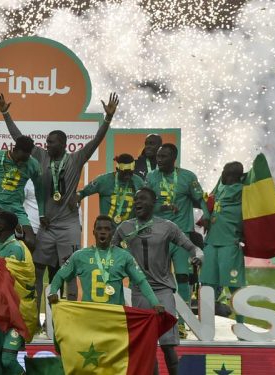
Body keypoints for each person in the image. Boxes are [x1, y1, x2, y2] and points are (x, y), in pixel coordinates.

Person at [0, 92, 119, 312]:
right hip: (47, 225)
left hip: (68, 224)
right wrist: (5, 113)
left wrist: (108, 119)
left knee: (70, 268)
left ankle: (70, 312)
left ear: (62, 144)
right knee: (38, 268)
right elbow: (18, 138)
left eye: (51, 142)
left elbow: (97, 140)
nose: (47, 144)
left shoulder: (76, 158)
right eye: (46, 142)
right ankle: (33, 313)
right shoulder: (40, 156)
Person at [111, 188, 204, 375]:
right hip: (139, 292)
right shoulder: (124, 227)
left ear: (153, 203)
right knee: (147, 346)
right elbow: (109, 252)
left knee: (168, 345)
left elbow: (192, 247)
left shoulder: (167, 226)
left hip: (163, 291)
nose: (138, 202)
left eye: (143, 199)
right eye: (136, 199)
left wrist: (198, 256)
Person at [145, 143, 207, 337]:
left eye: (163, 156)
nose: (159, 160)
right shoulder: (151, 177)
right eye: (158, 156)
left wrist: (206, 214)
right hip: (158, 235)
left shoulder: (188, 177)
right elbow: (147, 205)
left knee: (183, 278)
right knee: (156, 279)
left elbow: (200, 199)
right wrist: (163, 208)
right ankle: (156, 320)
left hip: (181, 237)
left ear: (174, 158)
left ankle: (181, 322)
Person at [47, 215, 164, 312]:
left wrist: (155, 303)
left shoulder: (124, 256)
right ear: (93, 232)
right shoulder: (79, 256)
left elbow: (141, 281)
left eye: (107, 229)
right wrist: (53, 292)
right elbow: (60, 276)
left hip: (115, 316)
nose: (103, 232)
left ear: (113, 232)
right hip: (89, 316)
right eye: (99, 229)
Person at [0, 210, 37, 375]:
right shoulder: (1, 246)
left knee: (7, 360)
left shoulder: (15, 249)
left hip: (17, 316)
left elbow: (7, 289)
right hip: (2, 314)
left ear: (4, 226)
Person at [199, 162, 246, 323]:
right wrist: (206, 215)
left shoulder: (243, 191)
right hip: (211, 242)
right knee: (207, 284)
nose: (222, 176)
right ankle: (206, 325)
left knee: (234, 286)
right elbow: (206, 201)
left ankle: (241, 323)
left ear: (231, 176)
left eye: (224, 173)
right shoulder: (219, 189)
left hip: (229, 243)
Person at [77, 153, 144, 224]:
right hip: (108, 230)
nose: (127, 176)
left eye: (130, 173)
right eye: (124, 173)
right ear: (117, 169)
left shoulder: (138, 182)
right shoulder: (103, 180)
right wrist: (78, 195)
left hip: (129, 230)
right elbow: (83, 192)